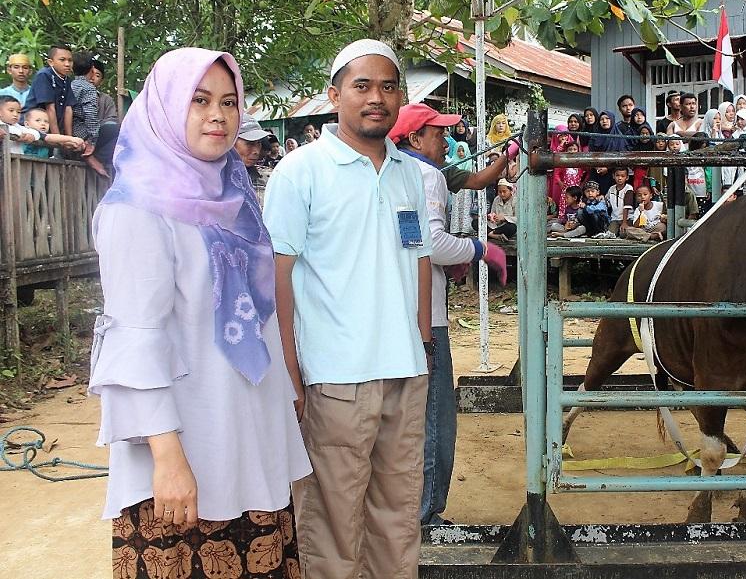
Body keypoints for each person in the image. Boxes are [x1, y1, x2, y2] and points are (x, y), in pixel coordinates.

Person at [89, 47, 311, 578]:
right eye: (199, 100)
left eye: (230, 102)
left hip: (245, 445)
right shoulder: (137, 210)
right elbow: (134, 340)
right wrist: (167, 460)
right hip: (182, 459)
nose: (218, 114)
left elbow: (257, 321)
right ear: (164, 108)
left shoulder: (235, 200)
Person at [263, 39, 432, 579]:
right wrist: (292, 376)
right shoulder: (301, 172)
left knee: (398, 519)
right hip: (335, 378)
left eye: (387, 86)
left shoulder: (409, 172)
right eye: (362, 86)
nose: (376, 98)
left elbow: (420, 261)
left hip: (404, 373)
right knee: (333, 526)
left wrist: (423, 344)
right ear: (334, 95)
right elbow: (276, 278)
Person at [388, 103, 507, 527]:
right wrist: (479, 249)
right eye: (438, 134)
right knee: (435, 417)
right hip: (426, 315)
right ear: (415, 139)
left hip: (391, 311)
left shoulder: (392, 172)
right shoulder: (428, 175)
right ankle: (426, 513)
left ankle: (406, 509)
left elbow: (412, 240)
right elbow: (432, 243)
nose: (446, 141)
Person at [23, 44, 78, 139]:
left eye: (70, 60)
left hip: (50, 128)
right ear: (51, 62)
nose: (67, 64)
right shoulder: (44, 75)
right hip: (33, 127)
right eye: (62, 60)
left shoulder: (67, 79)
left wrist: (69, 137)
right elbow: (50, 108)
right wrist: (59, 139)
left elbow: (68, 109)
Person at [69, 51, 110, 176]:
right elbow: (90, 115)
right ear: (92, 69)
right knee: (116, 130)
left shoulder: (69, 84)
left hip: (66, 129)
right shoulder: (88, 88)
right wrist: (92, 141)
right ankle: (91, 157)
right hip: (80, 131)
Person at [553, 141, 587, 221]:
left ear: (578, 150)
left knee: (577, 205)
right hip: (566, 190)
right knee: (565, 205)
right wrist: (560, 183)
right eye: (570, 149)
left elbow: (588, 172)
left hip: (577, 191)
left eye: (575, 149)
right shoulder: (564, 162)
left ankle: (577, 221)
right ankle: (563, 221)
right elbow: (556, 174)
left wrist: (583, 183)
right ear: (566, 151)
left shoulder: (580, 163)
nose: (572, 151)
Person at [234, 117, 269, 191]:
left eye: (259, 143)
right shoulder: (211, 180)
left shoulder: (267, 179)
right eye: (250, 143)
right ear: (231, 142)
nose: (256, 151)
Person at [605, 167, 634, 237]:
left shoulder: (629, 188)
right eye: (617, 175)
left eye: (622, 176)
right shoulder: (611, 189)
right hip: (615, 218)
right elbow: (607, 202)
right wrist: (601, 198)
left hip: (627, 218)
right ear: (613, 176)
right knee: (610, 235)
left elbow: (626, 207)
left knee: (623, 234)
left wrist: (624, 223)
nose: (620, 178)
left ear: (627, 178)